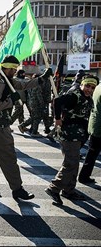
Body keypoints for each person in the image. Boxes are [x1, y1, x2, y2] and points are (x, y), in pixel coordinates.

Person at [0, 55, 52, 200]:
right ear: (6, 67)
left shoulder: (6, 79)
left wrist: (42, 78)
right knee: (9, 157)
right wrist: (11, 100)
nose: (15, 71)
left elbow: (23, 85)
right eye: (13, 68)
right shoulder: (0, 82)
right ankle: (17, 189)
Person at [45, 75, 99, 205]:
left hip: (78, 135)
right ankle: (54, 188)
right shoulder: (75, 95)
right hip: (69, 135)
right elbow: (57, 101)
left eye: (92, 87)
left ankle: (69, 190)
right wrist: (57, 118)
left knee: (73, 163)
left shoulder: (87, 97)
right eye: (87, 86)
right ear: (82, 85)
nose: (89, 89)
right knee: (71, 163)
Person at [78, 82, 101, 184]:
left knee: (92, 153)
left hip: (95, 123)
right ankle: (84, 176)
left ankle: (84, 176)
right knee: (92, 153)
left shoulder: (99, 86)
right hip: (99, 126)